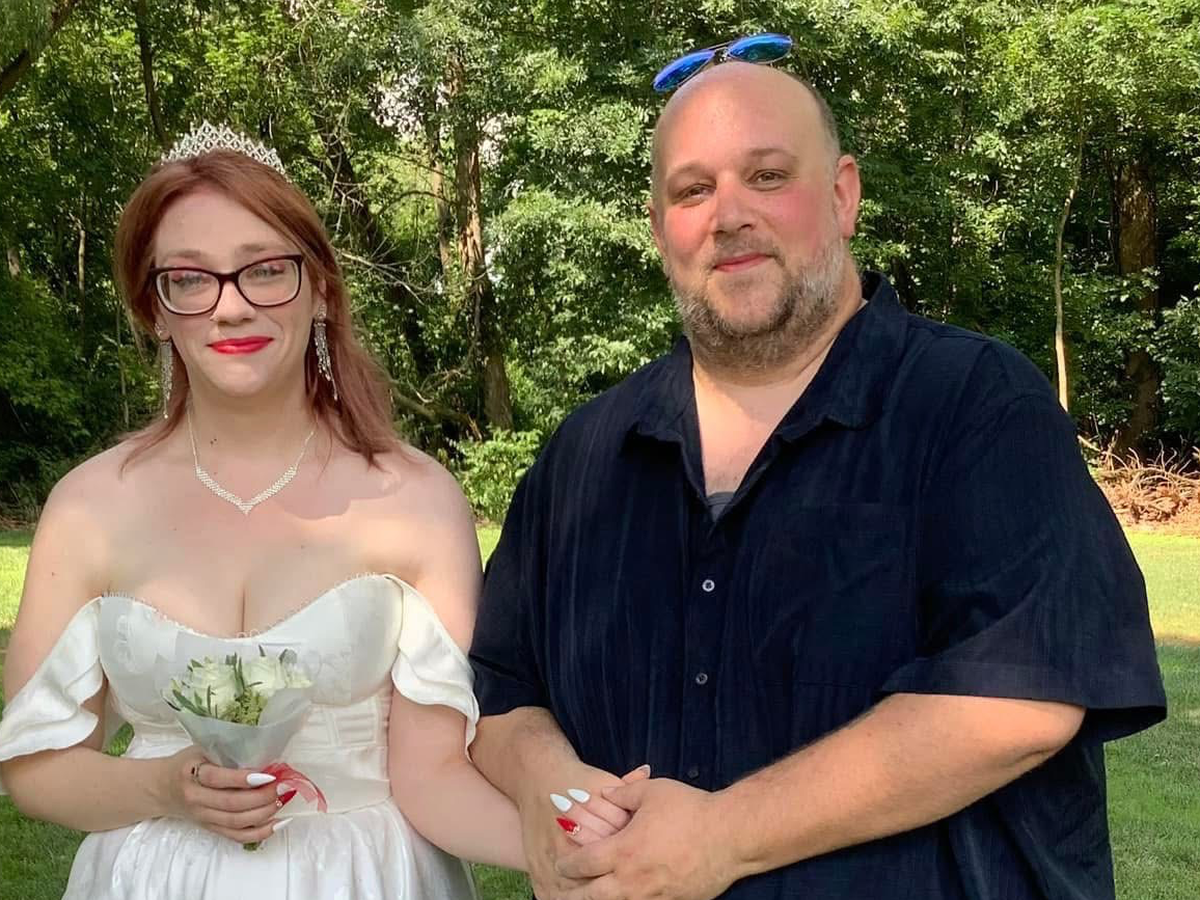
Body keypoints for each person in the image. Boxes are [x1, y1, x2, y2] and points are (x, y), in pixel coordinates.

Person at [467, 51, 1168, 900]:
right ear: (658, 229)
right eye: (692, 191)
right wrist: (551, 793)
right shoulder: (584, 455)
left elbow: (1022, 697)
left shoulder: (976, 406)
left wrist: (723, 838)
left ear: (843, 195)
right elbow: (497, 686)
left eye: (767, 176)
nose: (728, 215)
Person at [0, 123, 523, 899]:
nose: (231, 307)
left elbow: (435, 775)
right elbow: (35, 768)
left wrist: (571, 854)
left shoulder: (416, 500)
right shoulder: (89, 506)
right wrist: (164, 788)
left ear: (321, 290)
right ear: (155, 308)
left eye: (266, 270)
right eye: (190, 278)